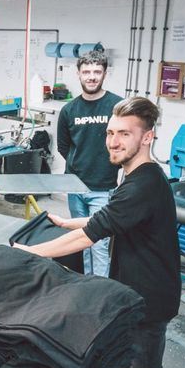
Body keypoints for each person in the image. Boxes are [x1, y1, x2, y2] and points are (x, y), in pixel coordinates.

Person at [15, 97, 181, 368]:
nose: (113, 142)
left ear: (147, 137)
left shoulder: (143, 184)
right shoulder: (139, 178)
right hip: (142, 291)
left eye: (124, 134)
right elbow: (110, 217)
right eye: (110, 133)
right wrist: (66, 222)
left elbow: (90, 235)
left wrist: (33, 252)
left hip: (149, 300)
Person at [57, 51, 122, 276]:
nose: (91, 77)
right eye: (86, 72)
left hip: (102, 187)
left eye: (97, 72)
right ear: (78, 74)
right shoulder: (69, 110)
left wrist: (106, 166)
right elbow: (63, 146)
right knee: (81, 240)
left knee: (99, 244)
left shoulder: (117, 106)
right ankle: (86, 283)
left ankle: (100, 289)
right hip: (75, 187)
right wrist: (79, 164)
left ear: (105, 73)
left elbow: (124, 142)